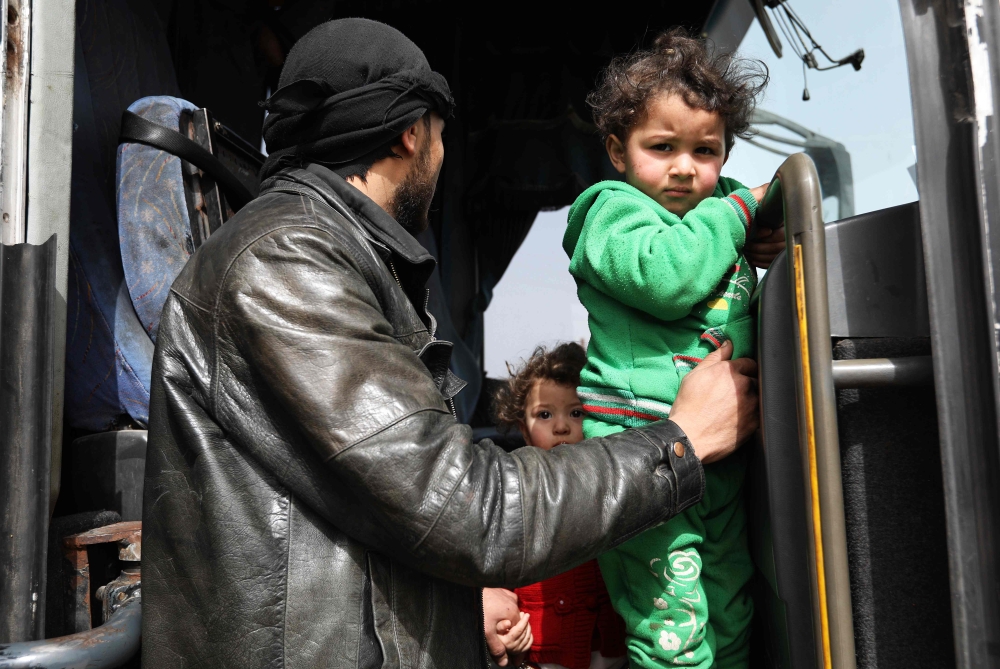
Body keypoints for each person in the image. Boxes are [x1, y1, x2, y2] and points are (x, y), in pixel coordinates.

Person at [141, 18, 760, 668]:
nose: (443, 156)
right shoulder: (284, 263)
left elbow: (397, 498)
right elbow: (464, 505)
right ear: (415, 134)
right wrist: (677, 442)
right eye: (443, 136)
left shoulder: (334, 257)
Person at [562, 29, 782, 669]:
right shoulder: (608, 214)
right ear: (618, 152)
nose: (685, 167)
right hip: (644, 459)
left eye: (705, 151)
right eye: (662, 148)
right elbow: (666, 278)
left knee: (731, 606)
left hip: (724, 457)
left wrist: (752, 235)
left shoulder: (716, 222)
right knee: (673, 624)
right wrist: (738, 215)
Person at [488, 343, 628, 669]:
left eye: (576, 413)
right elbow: (495, 565)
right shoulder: (515, 491)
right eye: (544, 415)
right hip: (540, 653)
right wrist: (503, 626)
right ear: (523, 429)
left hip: (611, 650)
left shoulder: (614, 485)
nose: (561, 426)